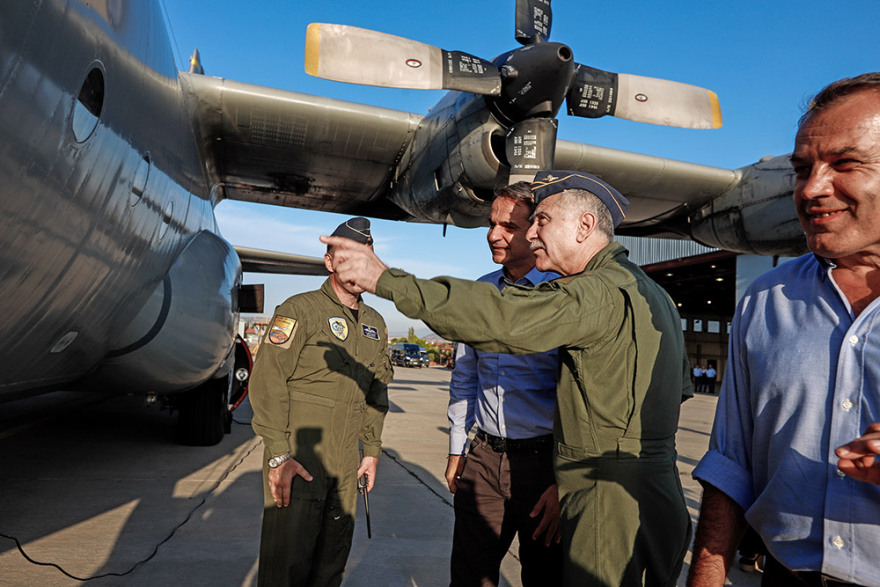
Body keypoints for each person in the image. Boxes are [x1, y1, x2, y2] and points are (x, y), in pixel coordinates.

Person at [322, 170, 694, 586]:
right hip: (648, 491)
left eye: (543, 220)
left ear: (585, 226)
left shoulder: (593, 292)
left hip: (604, 498)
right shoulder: (650, 292)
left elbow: (503, 318)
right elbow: (677, 390)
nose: (532, 232)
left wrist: (384, 279)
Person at [687, 74, 880, 587]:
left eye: (844, 163)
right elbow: (730, 461)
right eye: (802, 169)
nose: (812, 189)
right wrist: (705, 576)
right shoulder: (765, 299)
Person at [249, 217, 393, 587]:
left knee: (331, 563)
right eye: (343, 256)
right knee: (287, 565)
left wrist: (372, 449)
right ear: (329, 262)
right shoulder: (299, 310)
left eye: (362, 256)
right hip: (299, 456)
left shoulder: (375, 322)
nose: (353, 266)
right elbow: (267, 382)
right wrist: (279, 454)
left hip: (347, 462)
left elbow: (377, 390)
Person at [446, 182, 562, 586]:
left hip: (542, 467)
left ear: (535, 232)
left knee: (544, 577)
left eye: (508, 226)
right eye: (491, 224)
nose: (494, 234)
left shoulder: (561, 296)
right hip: (483, 458)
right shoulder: (479, 291)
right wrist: (457, 449)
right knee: (468, 575)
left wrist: (564, 480)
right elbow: (464, 378)